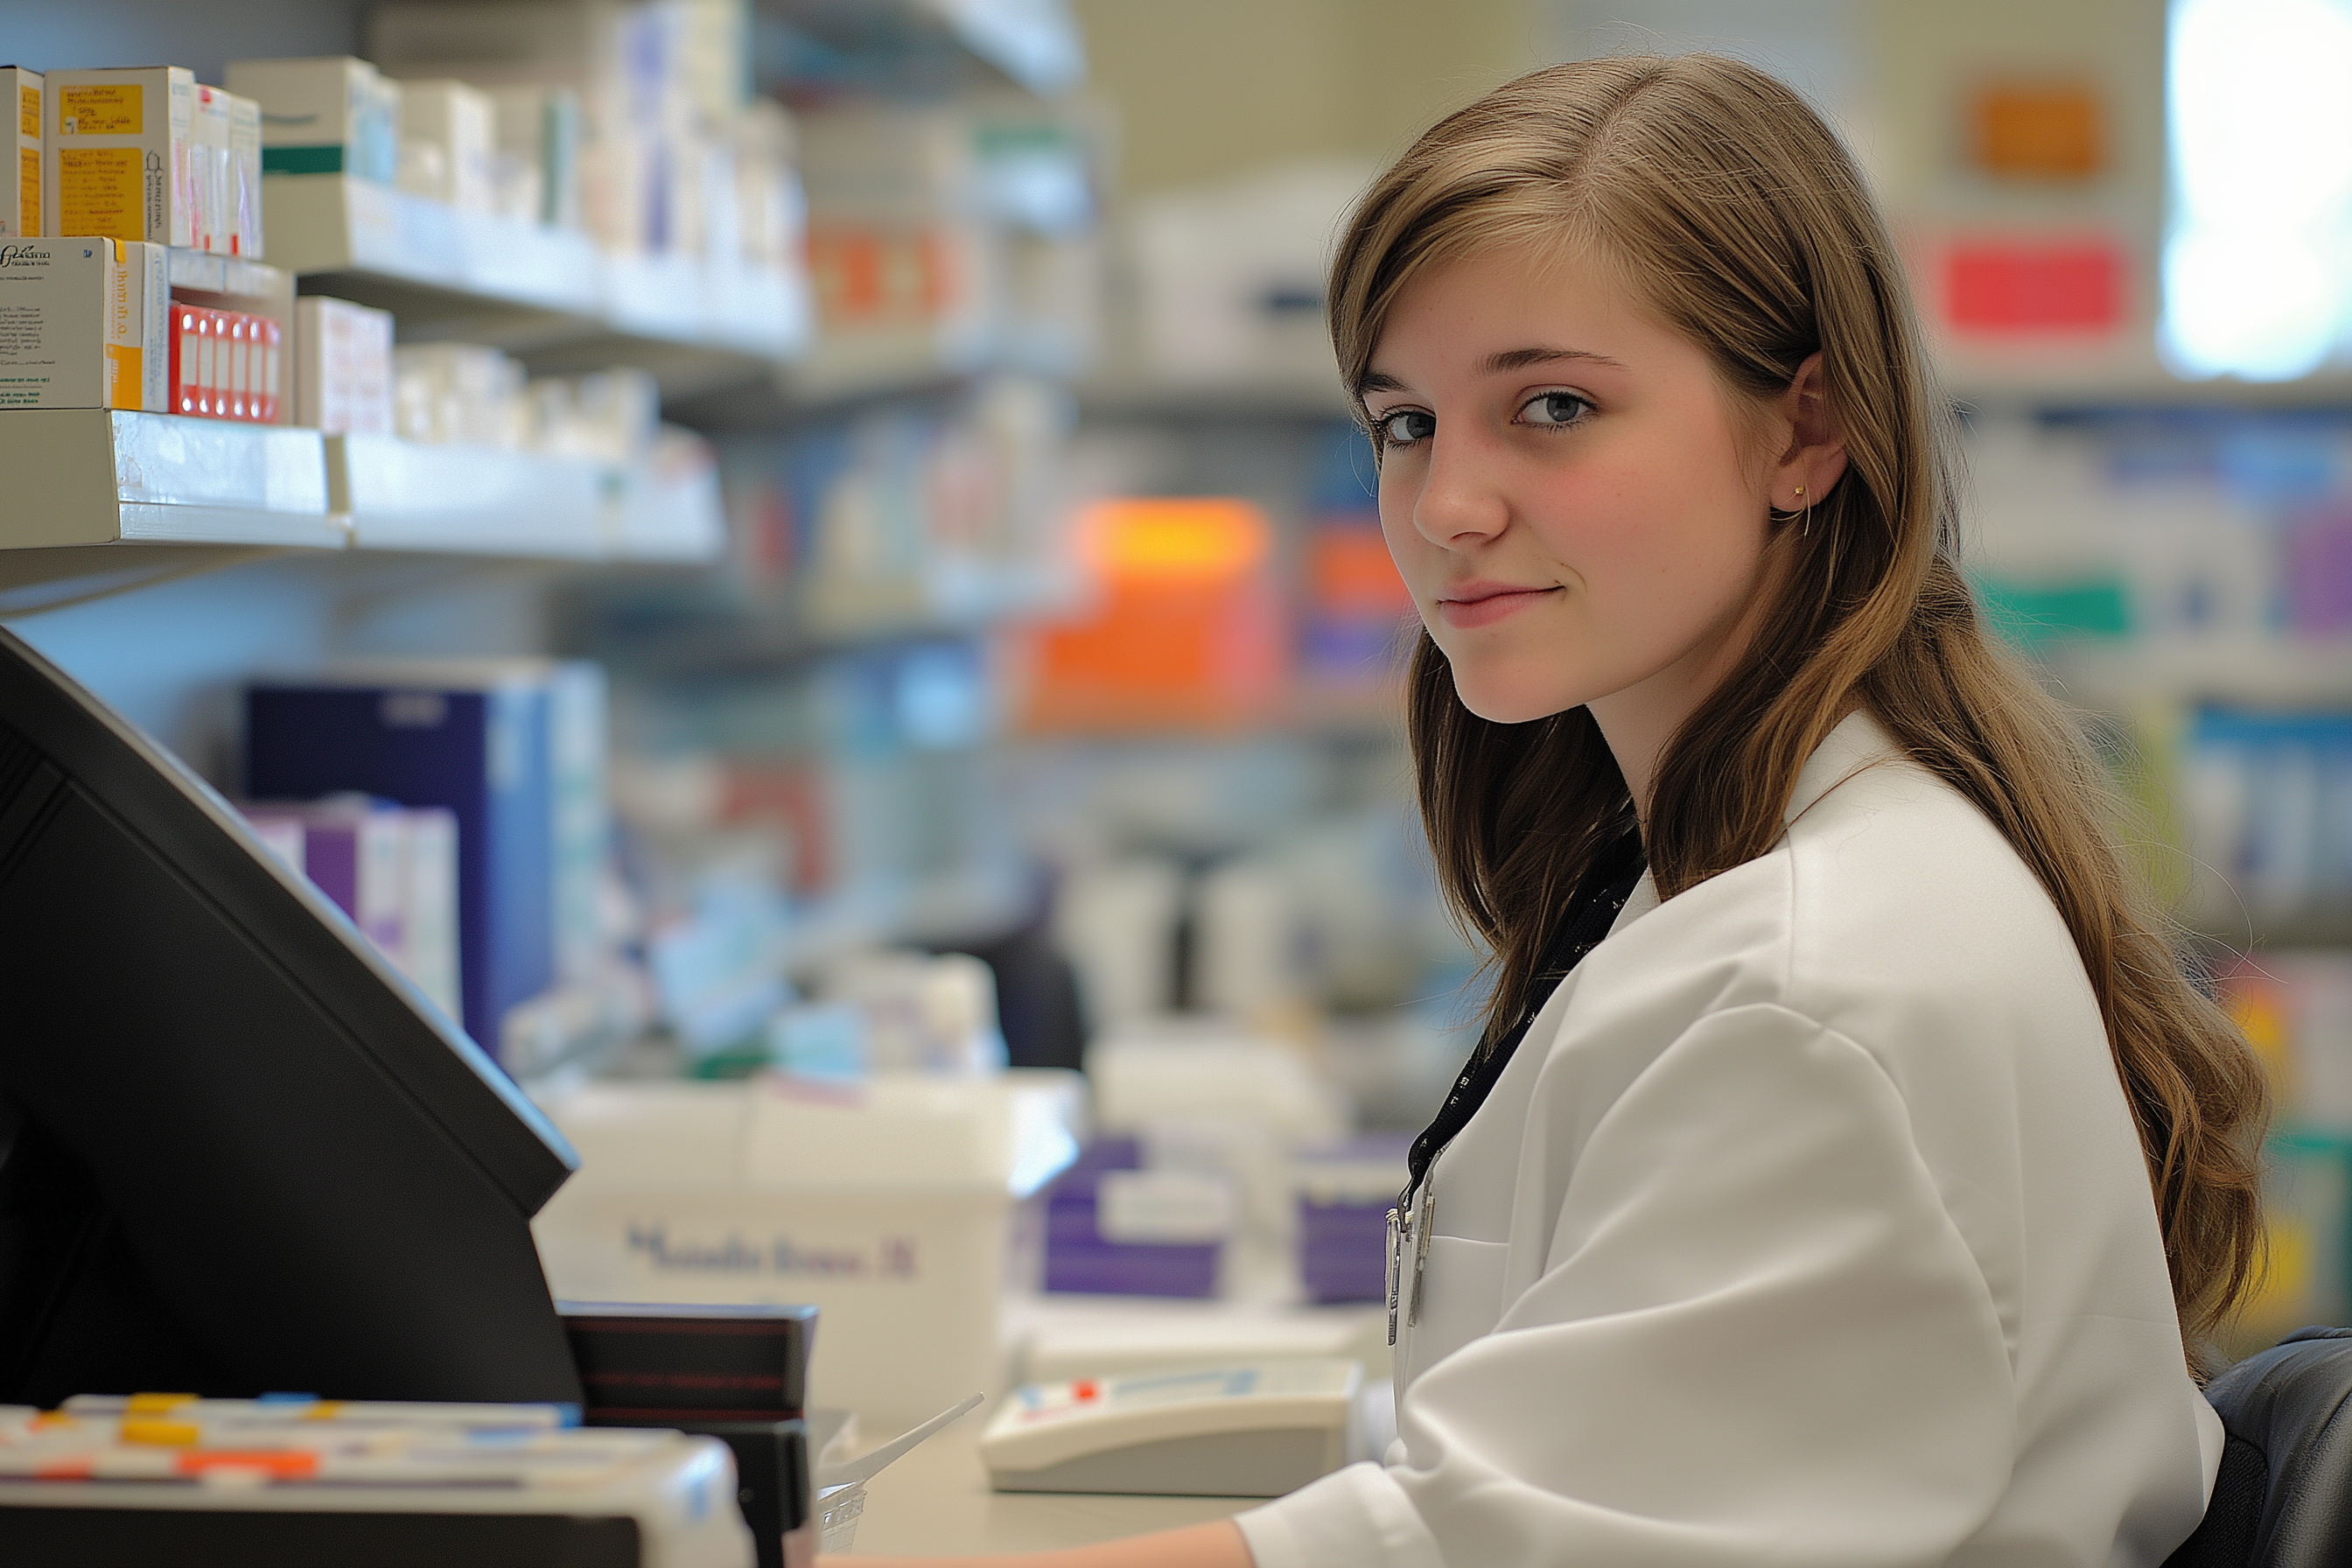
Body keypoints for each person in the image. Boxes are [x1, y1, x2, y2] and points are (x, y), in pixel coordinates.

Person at [834, 52, 2269, 1568]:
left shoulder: (1814, 986)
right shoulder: (1770, 863)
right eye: (1405, 423)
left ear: (1806, 432)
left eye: (1554, 406)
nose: (1448, 502)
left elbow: (1469, 1555)